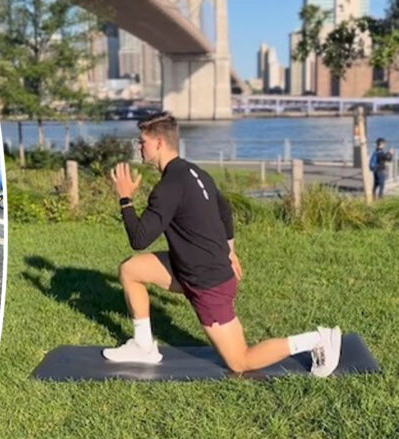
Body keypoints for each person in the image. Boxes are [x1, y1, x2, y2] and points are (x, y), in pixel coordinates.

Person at [103, 112, 342, 377]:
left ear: (159, 143)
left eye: (142, 142)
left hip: (207, 282)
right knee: (131, 270)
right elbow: (224, 211)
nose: (139, 147)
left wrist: (125, 199)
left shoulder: (168, 186)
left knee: (240, 362)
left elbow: (139, 239)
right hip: (193, 266)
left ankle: (316, 340)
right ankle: (143, 345)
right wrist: (230, 251)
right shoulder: (195, 172)